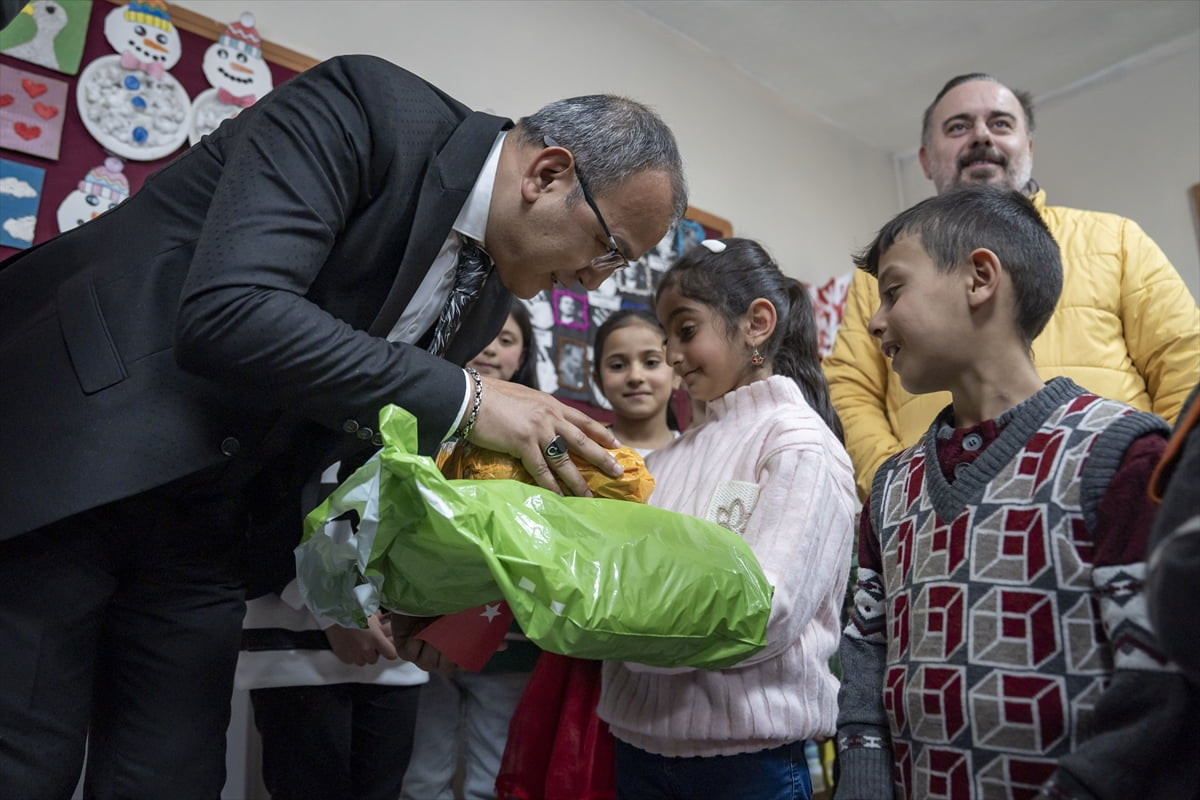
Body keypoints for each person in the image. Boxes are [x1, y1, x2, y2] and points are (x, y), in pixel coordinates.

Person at [0, 54, 686, 798]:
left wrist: (414, 573)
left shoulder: (485, 294)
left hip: (209, 529)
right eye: (610, 249)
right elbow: (231, 313)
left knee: (170, 776)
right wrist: (474, 399)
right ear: (548, 173)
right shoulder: (366, 108)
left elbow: (351, 420)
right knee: (25, 760)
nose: (599, 281)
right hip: (80, 462)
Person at [834, 186, 1198, 799]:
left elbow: (1157, 682)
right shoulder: (892, 489)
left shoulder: (1120, 456)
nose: (874, 321)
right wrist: (864, 777)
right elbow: (866, 652)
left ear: (980, 278)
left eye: (893, 291)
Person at [823, 72, 1200, 499]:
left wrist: (1166, 483)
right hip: (936, 516)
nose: (981, 136)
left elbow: (1185, 359)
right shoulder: (880, 274)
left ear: (1029, 149)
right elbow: (850, 389)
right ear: (926, 159)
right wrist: (900, 488)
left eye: (1001, 123)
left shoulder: (1116, 240)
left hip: (1118, 501)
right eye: (959, 126)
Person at [597, 238, 856, 800]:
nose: (670, 356)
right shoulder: (663, 461)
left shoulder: (798, 444)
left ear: (756, 323)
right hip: (637, 747)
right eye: (667, 337)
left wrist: (629, 638)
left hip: (747, 764)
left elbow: (765, 607)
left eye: (685, 331)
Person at [400, 299, 542, 800]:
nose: (491, 348)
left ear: (524, 355)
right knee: (421, 777)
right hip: (421, 629)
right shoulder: (420, 418)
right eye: (484, 333)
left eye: (507, 339)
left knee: (492, 775)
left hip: (508, 637)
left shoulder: (543, 431)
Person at [592, 308, 680, 455]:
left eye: (651, 362)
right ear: (598, 381)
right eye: (618, 366)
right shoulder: (585, 454)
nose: (635, 377)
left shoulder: (698, 454)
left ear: (677, 375)